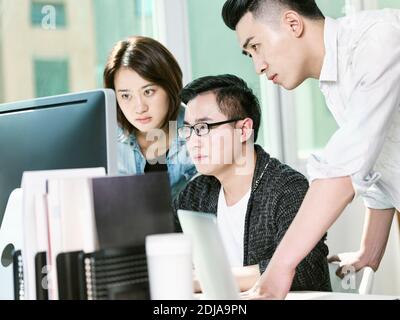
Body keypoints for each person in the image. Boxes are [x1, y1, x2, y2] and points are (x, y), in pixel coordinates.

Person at [221, 0, 400, 299]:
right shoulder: (335, 80)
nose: (258, 66)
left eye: (257, 47)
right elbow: (378, 161)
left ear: (293, 23)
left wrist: (278, 269)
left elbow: (342, 171)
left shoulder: (376, 42)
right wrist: (369, 251)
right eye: (249, 54)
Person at [174, 74, 331, 292]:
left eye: (203, 128)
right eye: (188, 130)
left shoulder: (287, 187)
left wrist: (203, 279)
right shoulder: (196, 192)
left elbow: (305, 270)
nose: (193, 141)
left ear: (244, 130)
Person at [104, 36, 197, 199]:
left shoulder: (199, 133)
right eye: (126, 96)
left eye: (148, 92)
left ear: (170, 86)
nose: (140, 107)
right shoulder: (107, 139)